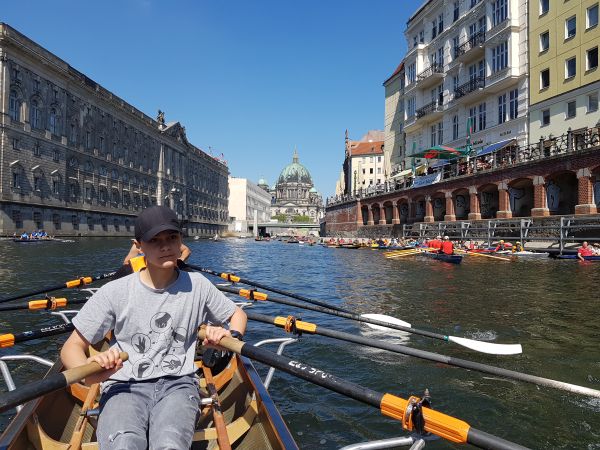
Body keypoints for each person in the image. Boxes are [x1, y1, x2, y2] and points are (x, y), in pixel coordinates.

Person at [60, 205, 247, 449]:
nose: (166, 246)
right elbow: (71, 347)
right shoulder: (115, 291)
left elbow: (237, 314)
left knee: (170, 444)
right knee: (124, 444)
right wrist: (87, 371)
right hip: (123, 384)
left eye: (172, 238)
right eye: (155, 240)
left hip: (178, 384)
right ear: (139, 246)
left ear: (181, 240)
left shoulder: (198, 285)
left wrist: (228, 335)